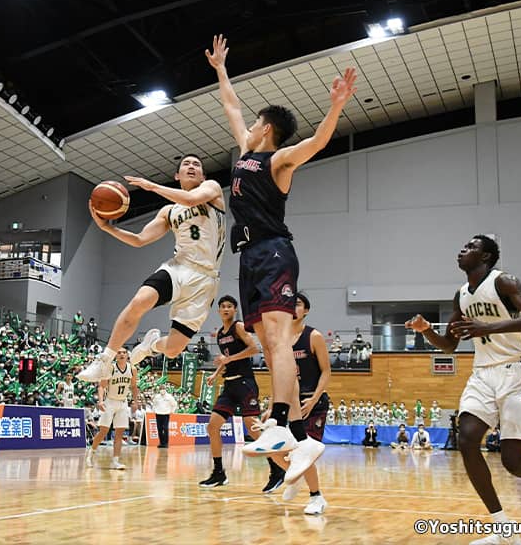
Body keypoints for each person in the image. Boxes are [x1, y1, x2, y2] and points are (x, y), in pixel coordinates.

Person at [206, 34, 356, 486]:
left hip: (273, 251)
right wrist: (221, 70)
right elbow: (232, 107)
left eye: (255, 123)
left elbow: (317, 141)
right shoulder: (246, 153)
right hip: (248, 257)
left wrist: (336, 107)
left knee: (276, 339)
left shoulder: (278, 161)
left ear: (266, 129)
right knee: (270, 347)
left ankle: (281, 423)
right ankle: (296, 435)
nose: (248, 126)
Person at [405, 235, 521, 544]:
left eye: (471, 247)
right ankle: (503, 529)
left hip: (516, 370)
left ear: (486, 257)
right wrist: (426, 331)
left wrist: (488, 327)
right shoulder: (461, 296)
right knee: (466, 440)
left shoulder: (504, 282)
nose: (462, 250)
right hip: (482, 373)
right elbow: (449, 345)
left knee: (513, 462)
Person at [77, 154, 226, 381]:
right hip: (179, 267)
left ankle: (151, 345)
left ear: (203, 176)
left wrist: (151, 186)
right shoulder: (168, 211)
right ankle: (104, 361)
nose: (191, 166)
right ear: (177, 175)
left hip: (205, 279)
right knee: (140, 301)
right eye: (186, 164)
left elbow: (190, 199)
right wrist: (106, 228)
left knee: (174, 349)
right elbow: (140, 239)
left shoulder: (211, 189)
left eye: (196, 164)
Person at [198, 296, 271, 489]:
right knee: (212, 426)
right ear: (218, 311)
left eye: (229, 306)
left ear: (235, 309)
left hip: (245, 383)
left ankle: (276, 467)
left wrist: (229, 360)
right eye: (222, 306)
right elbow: (226, 358)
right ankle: (218, 473)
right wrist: (216, 373)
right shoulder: (219, 334)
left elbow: (254, 348)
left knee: (252, 428)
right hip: (229, 385)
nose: (226, 309)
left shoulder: (238, 326)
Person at [270, 292, 330, 515]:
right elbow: (278, 375)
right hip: (288, 402)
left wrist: (313, 399)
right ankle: (295, 477)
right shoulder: (280, 339)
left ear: (306, 310)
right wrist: (272, 406)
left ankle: (317, 497)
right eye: (289, 304)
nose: (292, 308)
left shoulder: (314, 336)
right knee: (273, 449)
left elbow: (326, 372)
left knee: (305, 450)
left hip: (312, 402)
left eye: (297, 304)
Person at [85, 348, 138, 470]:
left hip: (123, 402)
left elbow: (134, 386)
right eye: (119, 353)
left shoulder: (132, 369)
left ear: (127, 355)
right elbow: (102, 386)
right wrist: (100, 401)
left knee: (119, 433)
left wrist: (135, 401)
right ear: (115, 356)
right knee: (103, 431)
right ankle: (91, 454)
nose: (122, 354)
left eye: (124, 352)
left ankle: (115, 461)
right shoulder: (111, 368)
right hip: (110, 401)